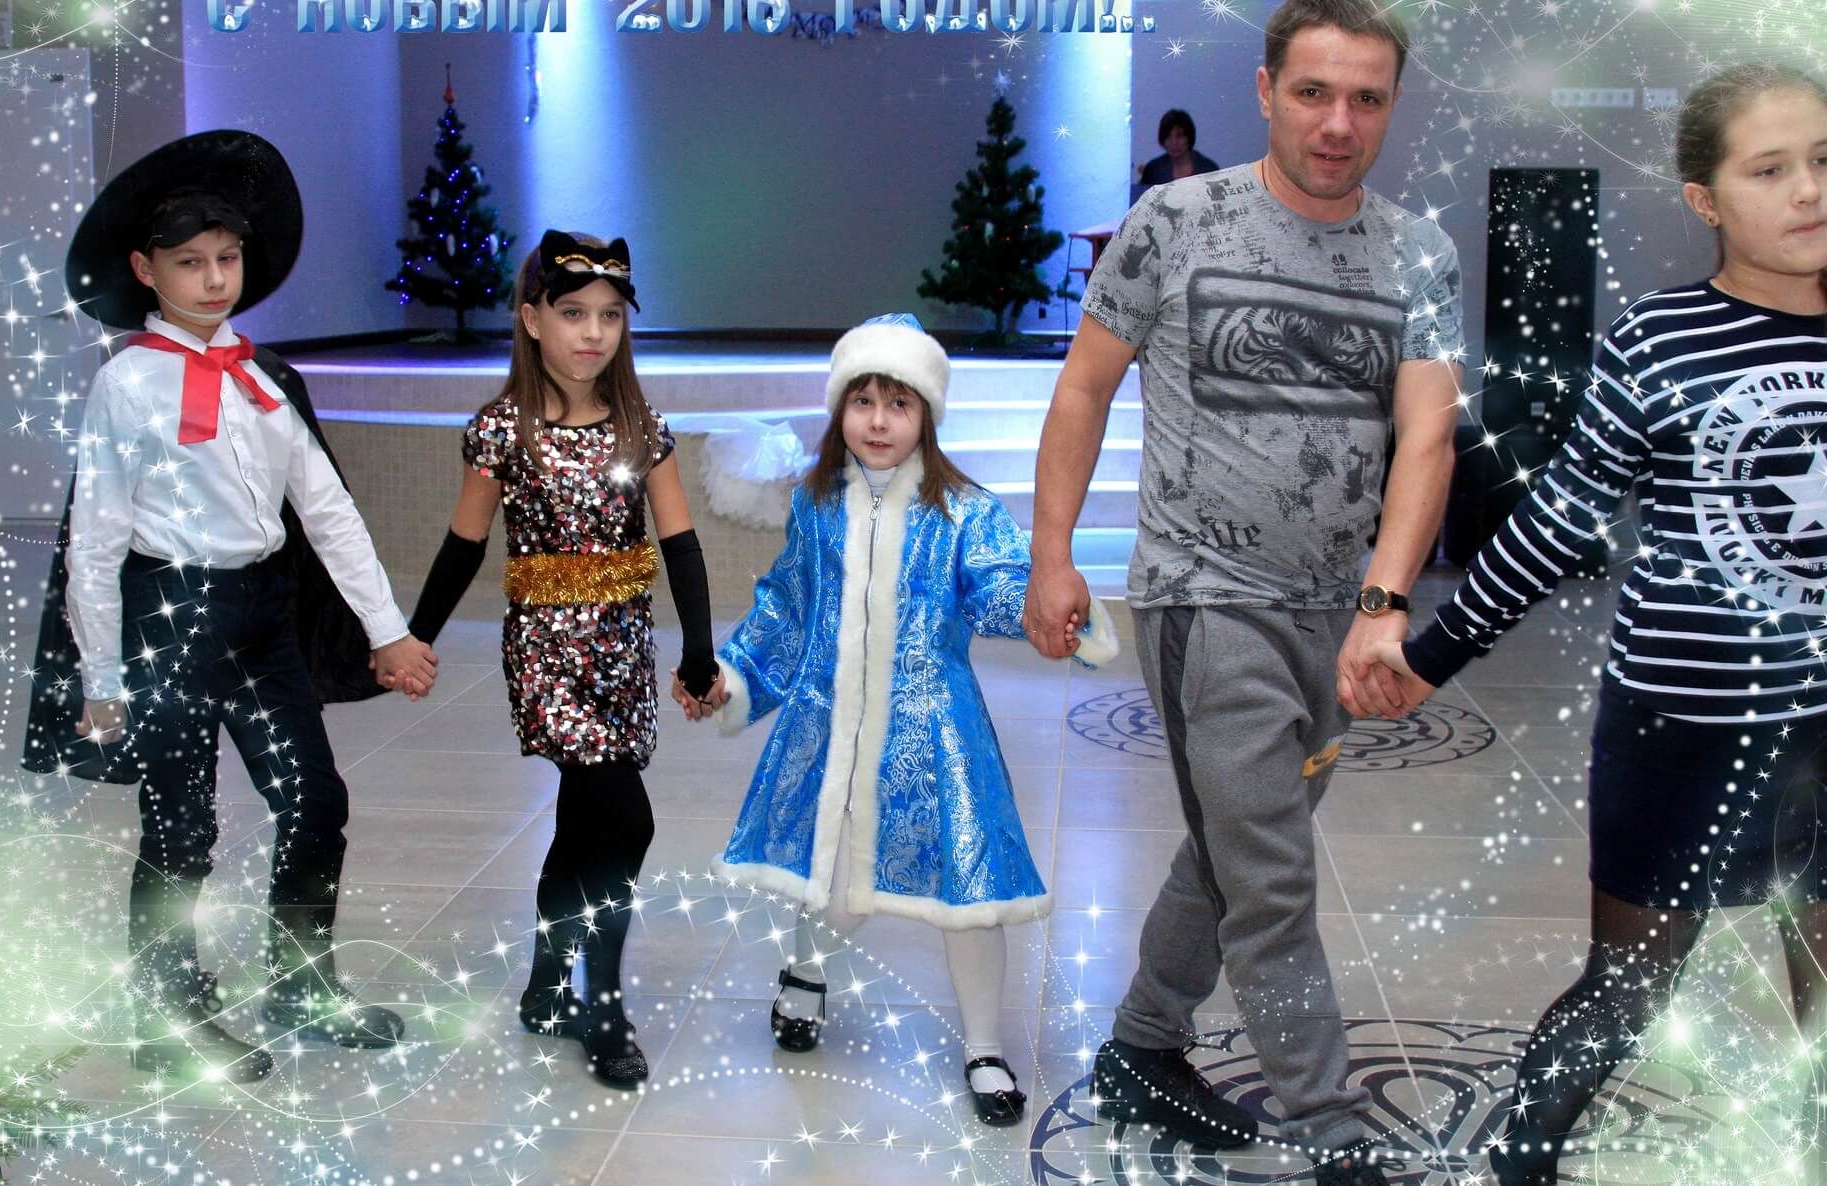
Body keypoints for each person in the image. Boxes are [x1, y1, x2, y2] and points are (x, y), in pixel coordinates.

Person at [1021, 0, 1466, 1178]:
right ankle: (1330, 1130)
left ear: (1392, 106)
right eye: (1313, 92)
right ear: (1266, 92)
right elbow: (1083, 388)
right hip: (1205, 597)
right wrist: (1053, 555)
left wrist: (1384, 603)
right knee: (1270, 874)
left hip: (1333, 613)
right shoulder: (1175, 222)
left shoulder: (1418, 251)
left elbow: (1428, 434)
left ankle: (1142, 1043)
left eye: (1366, 98)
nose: (1338, 122)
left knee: (1237, 843)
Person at [1367, 63, 1827, 1186]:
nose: (1808, 190)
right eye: (1770, 169)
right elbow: (1560, 520)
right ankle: (1519, 1162)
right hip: (1680, 732)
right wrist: (1430, 654)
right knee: (1629, 987)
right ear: (1705, 199)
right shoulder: (1660, 339)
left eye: (1824, 162)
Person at [23, 130, 436, 1084]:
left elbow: (326, 510)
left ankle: (300, 984)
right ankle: (167, 1015)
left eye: (228, 259)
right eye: (190, 263)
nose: (214, 280)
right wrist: (100, 679)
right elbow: (96, 540)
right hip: (172, 620)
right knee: (181, 826)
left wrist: (389, 633)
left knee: (316, 799)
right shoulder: (126, 384)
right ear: (146, 270)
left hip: (261, 616)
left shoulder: (263, 378)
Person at [702, 313, 1117, 1127]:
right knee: (832, 877)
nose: (880, 421)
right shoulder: (816, 507)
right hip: (830, 726)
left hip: (938, 736)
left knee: (971, 894)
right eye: (863, 401)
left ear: (927, 414)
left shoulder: (964, 511)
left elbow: (1000, 588)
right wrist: (734, 674)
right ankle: (805, 976)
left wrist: (1056, 611)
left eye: (899, 403)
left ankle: (984, 1046)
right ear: (840, 411)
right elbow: (789, 604)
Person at [404, 229, 720, 1090]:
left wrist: (697, 651)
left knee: (585, 829)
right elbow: (464, 546)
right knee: (628, 822)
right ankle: (603, 1008)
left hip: (622, 649)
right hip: (545, 653)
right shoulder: (501, 431)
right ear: (532, 319)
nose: (593, 332)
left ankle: (546, 990)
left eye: (610, 316)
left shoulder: (642, 429)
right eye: (574, 313)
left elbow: (681, 544)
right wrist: (415, 636)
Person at [1133, 109, 1222, 202]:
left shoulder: (1208, 169)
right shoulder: (1154, 169)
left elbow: (1219, 204)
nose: (1174, 142)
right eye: (1168, 137)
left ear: (1189, 138)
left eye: (1179, 136)